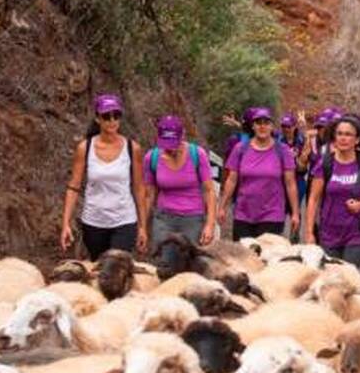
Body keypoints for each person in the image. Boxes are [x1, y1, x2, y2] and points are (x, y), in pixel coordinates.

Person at [60, 94, 145, 260]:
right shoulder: (85, 148)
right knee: (98, 269)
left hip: (124, 220)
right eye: (106, 116)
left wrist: (142, 226)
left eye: (116, 115)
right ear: (98, 119)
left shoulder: (132, 148)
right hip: (94, 221)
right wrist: (65, 224)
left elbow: (139, 188)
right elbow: (74, 187)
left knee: (116, 266)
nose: (112, 120)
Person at [304, 115, 360, 267]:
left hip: (357, 234)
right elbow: (313, 199)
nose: (343, 138)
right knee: (331, 276)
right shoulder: (326, 163)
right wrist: (309, 232)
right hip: (328, 233)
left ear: (357, 140)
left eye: (348, 134)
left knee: (348, 276)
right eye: (339, 134)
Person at [218, 107, 300, 240]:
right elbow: (231, 180)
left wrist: (295, 213)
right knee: (243, 257)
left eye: (266, 123)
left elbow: (290, 183)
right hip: (243, 214)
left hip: (272, 215)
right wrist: (222, 206)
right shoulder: (240, 149)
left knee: (267, 258)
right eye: (258, 123)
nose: (262, 126)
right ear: (253, 126)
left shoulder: (282, 151)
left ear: (272, 127)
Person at [142, 115, 216, 247]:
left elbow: (209, 191)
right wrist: (142, 227)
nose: (171, 148)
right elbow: (149, 195)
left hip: (192, 217)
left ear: (182, 136)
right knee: (165, 261)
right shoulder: (152, 157)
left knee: (188, 262)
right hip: (164, 218)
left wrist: (210, 224)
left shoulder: (197, 154)